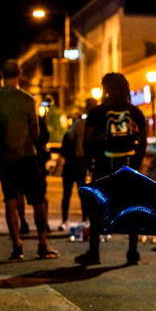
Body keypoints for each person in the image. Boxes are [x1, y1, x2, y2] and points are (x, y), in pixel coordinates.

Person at [74, 73, 148, 266]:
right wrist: (137, 162)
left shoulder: (97, 112)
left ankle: (94, 251)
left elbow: (87, 140)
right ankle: (132, 252)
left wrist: (90, 162)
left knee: (97, 208)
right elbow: (143, 141)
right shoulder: (135, 112)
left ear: (106, 88)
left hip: (103, 166)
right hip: (128, 165)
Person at [0, 60, 58, 261]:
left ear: (2, 75)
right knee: (37, 201)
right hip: (27, 156)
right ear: (19, 75)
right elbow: (35, 131)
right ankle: (42, 243)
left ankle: (17, 245)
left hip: (5, 157)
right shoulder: (27, 99)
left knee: (10, 202)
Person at [60, 98, 96, 230]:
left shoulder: (79, 123)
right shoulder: (96, 124)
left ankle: (65, 220)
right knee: (83, 193)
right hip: (82, 162)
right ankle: (85, 220)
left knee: (67, 193)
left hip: (74, 161)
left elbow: (69, 137)